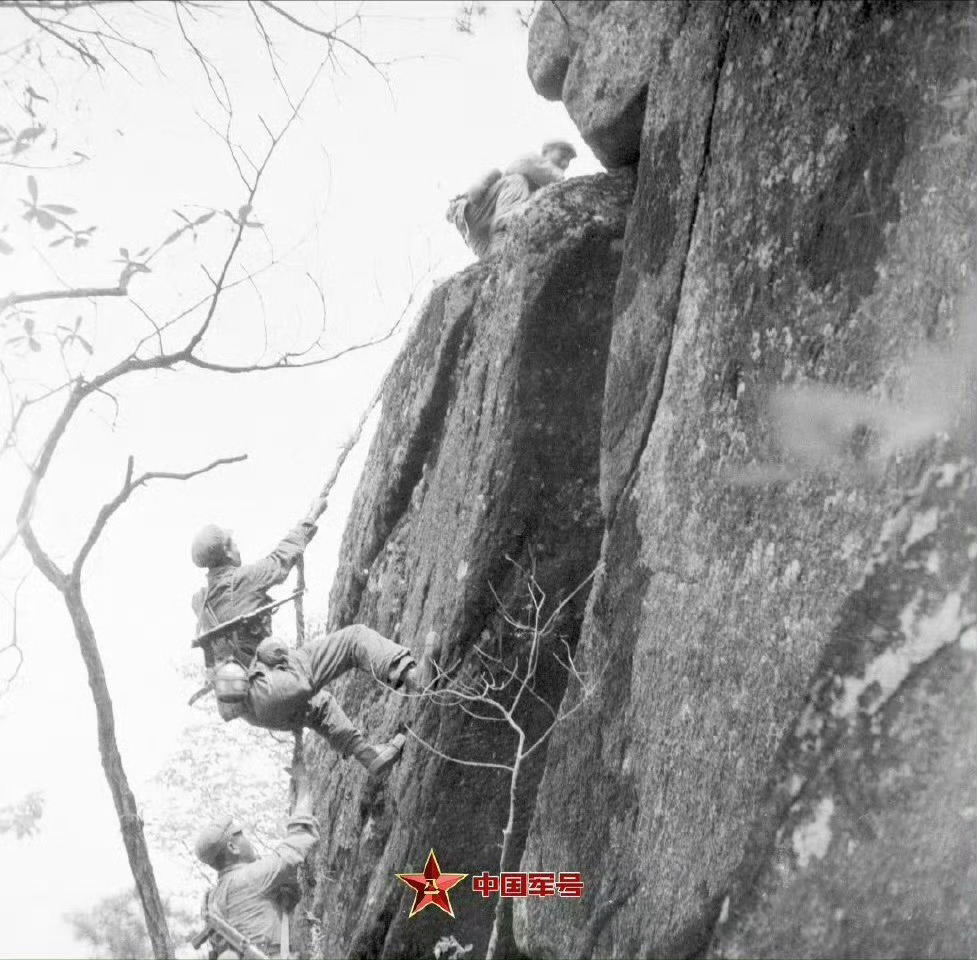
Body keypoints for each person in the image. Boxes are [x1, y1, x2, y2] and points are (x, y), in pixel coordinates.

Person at [190, 494, 441, 777]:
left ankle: (369, 756)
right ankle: (414, 678)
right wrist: (310, 518)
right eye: (231, 543)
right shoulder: (240, 581)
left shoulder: (201, 604)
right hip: (273, 685)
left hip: (253, 710)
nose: (237, 547)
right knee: (355, 639)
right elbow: (280, 560)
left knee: (318, 706)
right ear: (226, 552)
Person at [194, 761, 316, 959]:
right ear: (233, 847)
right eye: (241, 835)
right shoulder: (250, 877)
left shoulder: (210, 899)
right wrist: (303, 783)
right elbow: (298, 839)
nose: (248, 839)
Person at [446, 139, 578, 258]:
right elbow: (520, 166)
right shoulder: (531, 159)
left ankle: (497, 254)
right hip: (472, 212)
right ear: (546, 152)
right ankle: (502, 233)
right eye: (562, 156)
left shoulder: (538, 188)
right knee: (517, 181)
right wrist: (561, 180)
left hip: (480, 232)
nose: (565, 163)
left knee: (498, 261)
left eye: (568, 161)